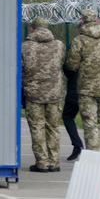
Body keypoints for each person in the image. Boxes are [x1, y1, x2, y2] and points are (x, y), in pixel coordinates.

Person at [66, 9, 100, 152]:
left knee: (90, 123)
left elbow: (72, 65)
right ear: (96, 21)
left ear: (83, 20)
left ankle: (94, 155)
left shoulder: (79, 40)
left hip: (87, 88)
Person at [22, 18, 65, 172]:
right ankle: (54, 162)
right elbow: (61, 63)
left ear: (32, 28)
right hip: (54, 93)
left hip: (34, 93)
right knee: (53, 127)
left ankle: (42, 162)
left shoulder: (25, 47)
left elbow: (22, 68)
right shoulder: (59, 45)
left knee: (37, 127)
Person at [62, 66, 84, 161]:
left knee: (67, 116)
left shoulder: (76, 50)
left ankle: (77, 145)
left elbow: (69, 68)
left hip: (76, 88)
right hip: (97, 90)